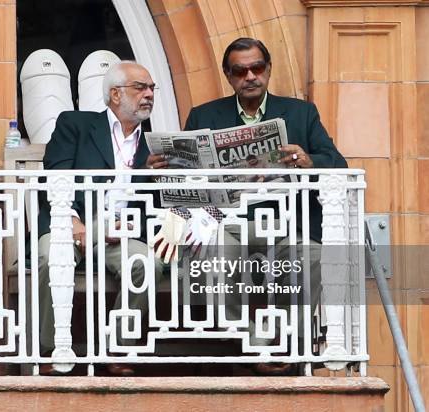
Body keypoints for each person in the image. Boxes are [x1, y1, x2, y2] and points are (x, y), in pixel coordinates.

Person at [148, 38, 347, 374]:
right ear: (229, 76)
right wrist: (164, 169)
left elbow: (338, 165)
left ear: (268, 70)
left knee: (313, 258)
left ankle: (284, 337)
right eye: (241, 71)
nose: (250, 76)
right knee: (214, 252)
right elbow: (182, 184)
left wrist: (308, 160)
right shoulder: (205, 115)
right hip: (224, 224)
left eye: (257, 68)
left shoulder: (301, 112)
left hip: (287, 225)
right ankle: (250, 338)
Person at [37, 61, 164, 376]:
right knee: (51, 255)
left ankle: (120, 349)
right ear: (115, 95)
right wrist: (72, 220)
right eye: (140, 87)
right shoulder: (76, 125)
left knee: (145, 263)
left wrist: (162, 178)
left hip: (125, 232)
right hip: (75, 223)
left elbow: (164, 202)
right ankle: (53, 349)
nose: (149, 94)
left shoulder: (155, 144)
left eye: (152, 89)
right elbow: (54, 177)